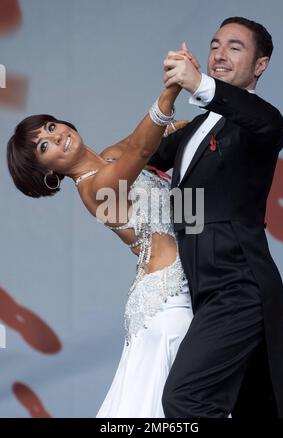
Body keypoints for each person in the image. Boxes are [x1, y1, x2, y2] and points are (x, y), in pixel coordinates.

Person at [6, 65, 201, 417]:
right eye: (44, 146)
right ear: (48, 172)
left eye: (50, 128)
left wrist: (203, 120)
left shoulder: (110, 157)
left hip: (179, 290)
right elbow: (141, 150)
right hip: (169, 301)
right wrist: (170, 89)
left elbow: (151, 137)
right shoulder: (94, 189)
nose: (57, 136)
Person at [147, 17, 283, 418]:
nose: (219, 54)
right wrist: (169, 94)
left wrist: (200, 85)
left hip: (239, 286)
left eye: (234, 46)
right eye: (214, 45)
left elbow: (261, 119)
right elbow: (137, 157)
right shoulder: (193, 130)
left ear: (260, 65)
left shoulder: (261, 122)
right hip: (201, 292)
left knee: (184, 400)